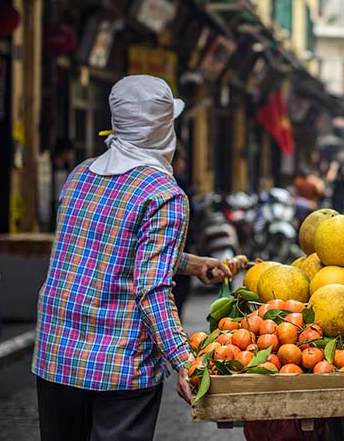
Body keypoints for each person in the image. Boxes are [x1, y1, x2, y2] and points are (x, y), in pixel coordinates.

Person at [33, 75, 242, 441]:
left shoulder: (80, 175)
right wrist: (184, 359)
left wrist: (190, 263)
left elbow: (107, 247)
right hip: (119, 365)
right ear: (164, 131)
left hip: (57, 356)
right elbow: (152, 289)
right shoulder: (164, 194)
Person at [172, 146, 194, 322]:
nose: (183, 164)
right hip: (180, 243)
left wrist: (198, 264)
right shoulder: (172, 188)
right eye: (181, 160)